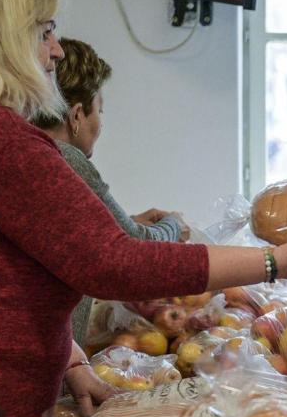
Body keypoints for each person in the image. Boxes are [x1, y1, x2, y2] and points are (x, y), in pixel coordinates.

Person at [0, 0, 287, 417]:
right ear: (3, 43)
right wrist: (273, 262)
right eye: (45, 33)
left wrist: (70, 360)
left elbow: (5, 273)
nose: (57, 51)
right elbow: (114, 262)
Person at [30, 38, 189, 345]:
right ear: (77, 115)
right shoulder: (65, 158)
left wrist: (125, 220)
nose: (101, 125)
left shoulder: (28, 149)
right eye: (99, 111)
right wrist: (174, 225)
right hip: (51, 349)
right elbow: (136, 246)